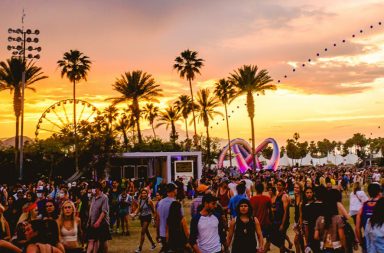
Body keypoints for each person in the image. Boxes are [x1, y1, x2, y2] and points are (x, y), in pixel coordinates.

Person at [355, 183, 382, 253]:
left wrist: (361, 242)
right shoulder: (381, 205)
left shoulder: (364, 206)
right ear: (379, 192)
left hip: (368, 242)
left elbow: (357, 228)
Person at [86, 182, 111, 253]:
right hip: (93, 222)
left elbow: (104, 211)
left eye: (93, 188)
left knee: (103, 241)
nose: (92, 190)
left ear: (97, 189)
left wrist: (98, 221)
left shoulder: (104, 197)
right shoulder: (93, 197)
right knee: (94, 240)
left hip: (102, 223)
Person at [131, 188, 156, 253]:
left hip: (148, 217)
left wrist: (154, 219)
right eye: (142, 193)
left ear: (147, 194)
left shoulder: (149, 201)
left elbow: (153, 211)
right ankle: (153, 244)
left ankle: (140, 248)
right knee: (146, 232)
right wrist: (134, 214)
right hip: (142, 217)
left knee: (143, 232)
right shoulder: (140, 200)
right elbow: (139, 208)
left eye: (145, 193)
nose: (143, 194)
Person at [250, 182, 272, 251]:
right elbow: (270, 211)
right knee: (268, 239)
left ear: (256, 189)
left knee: (257, 240)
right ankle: (265, 249)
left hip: (255, 223)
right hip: (266, 222)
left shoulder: (252, 199)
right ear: (263, 189)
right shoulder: (267, 198)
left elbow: (250, 212)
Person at [156, 183, 178, 253]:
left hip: (162, 233)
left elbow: (158, 219)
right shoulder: (176, 203)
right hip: (173, 234)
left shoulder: (160, 203)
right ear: (174, 190)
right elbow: (181, 221)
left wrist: (157, 234)